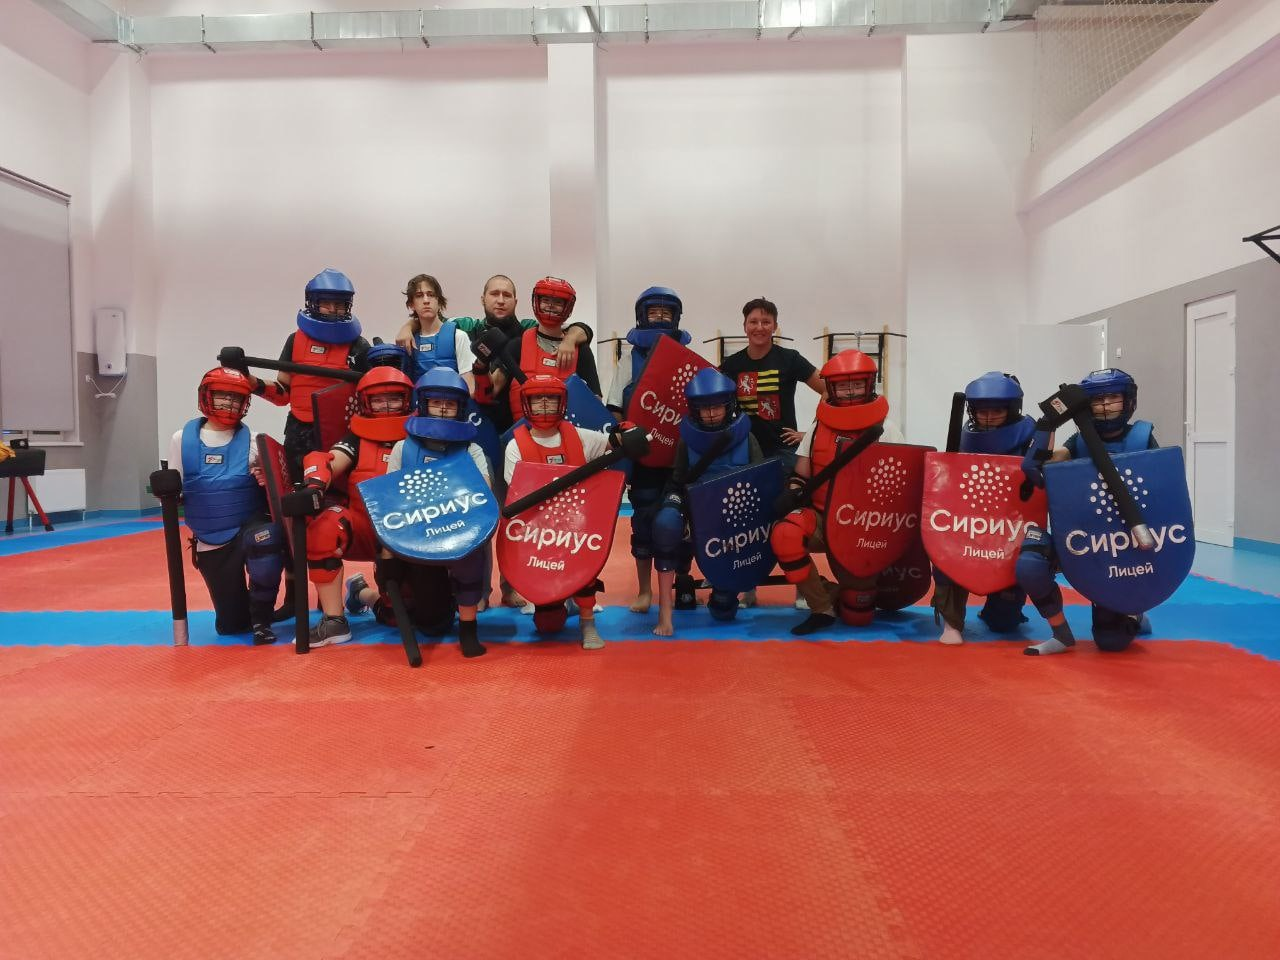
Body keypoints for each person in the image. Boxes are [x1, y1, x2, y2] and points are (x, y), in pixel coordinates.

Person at [234, 268, 371, 619]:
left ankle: (333, 600)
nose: (332, 310)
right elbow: (282, 392)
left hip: (337, 439)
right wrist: (249, 380)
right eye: (326, 303)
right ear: (313, 303)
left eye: (339, 304)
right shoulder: (295, 341)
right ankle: (294, 598)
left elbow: (369, 394)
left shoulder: (358, 346)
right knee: (294, 515)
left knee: (332, 515)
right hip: (298, 434)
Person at [1017, 368, 1159, 656]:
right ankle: (1061, 634)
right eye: (1097, 400)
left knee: (1111, 642)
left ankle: (1134, 612)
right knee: (1030, 563)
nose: (1105, 406)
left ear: (1128, 400)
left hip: (1125, 543)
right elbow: (1040, 466)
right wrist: (1048, 424)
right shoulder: (1079, 441)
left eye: (1112, 398)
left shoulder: (1143, 438)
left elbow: (1162, 493)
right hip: (1082, 537)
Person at [770, 350, 905, 635]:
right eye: (843, 386)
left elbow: (901, 483)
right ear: (831, 388)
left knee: (858, 613)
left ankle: (841, 594)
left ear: (869, 384)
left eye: (857, 384)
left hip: (864, 526)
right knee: (785, 534)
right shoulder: (817, 428)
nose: (850, 391)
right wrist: (792, 493)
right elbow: (801, 475)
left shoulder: (888, 429)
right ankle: (822, 607)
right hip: (823, 516)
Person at [297, 367, 414, 647]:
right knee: (325, 527)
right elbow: (328, 460)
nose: (387, 406)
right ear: (365, 403)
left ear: (407, 400)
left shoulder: (420, 436)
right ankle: (334, 620)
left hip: (409, 532)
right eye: (378, 400)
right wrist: (315, 484)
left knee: (397, 617)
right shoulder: (356, 439)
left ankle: (361, 593)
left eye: (394, 399)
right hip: (364, 528)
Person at [502, 375, 620, 650]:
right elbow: (517, 493)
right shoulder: (516, 445)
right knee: (548, 624)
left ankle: (588, 622)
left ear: (562, 403)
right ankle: (559, 601)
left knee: (586, 568)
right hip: (537, 529)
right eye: (537, 399)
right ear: (526, 403)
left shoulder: (579, 436)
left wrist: (626, 432)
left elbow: (612, 442)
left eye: (551, 398)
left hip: (576, 526)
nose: (544, 405)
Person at [168, 367, 284, 645]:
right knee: (232, 625)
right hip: (212, 535)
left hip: (249, 523)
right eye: (223, 396)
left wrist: (265, 481)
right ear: (206, 396)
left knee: (266, 538)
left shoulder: (256, 441)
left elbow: (280, 488)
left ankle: (262, 620)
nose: (229, 403)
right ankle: (245, 614)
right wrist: (166, 491)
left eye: (236, 398)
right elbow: (175, 489)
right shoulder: (181, 440)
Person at [395, 274, 595, 434]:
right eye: (494, 294)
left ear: (515, 301)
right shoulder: (466, 326)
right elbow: (430, 319)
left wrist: (570, 339)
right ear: (483, 299)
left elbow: (577, 328)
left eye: (506, 295)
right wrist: (408, 326)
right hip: (474, 422)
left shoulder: (528, 330)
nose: (500, 300)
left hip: (520, 424)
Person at [386, 369, 493, 659]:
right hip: (417, 536)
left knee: (470, 558)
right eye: (436, 402)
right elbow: (389, 500)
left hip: (459, 528)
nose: (443, 409)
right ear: (423, 404)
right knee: (432, 625)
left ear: (461, 408)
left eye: (450, 404)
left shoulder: (472, 450)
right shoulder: (402, 449)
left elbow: (483, 494)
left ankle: (468, 628)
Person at [650, 368, 765, 636]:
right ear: (695, 410)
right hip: (697, 511)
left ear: (729, 406)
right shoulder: (687, 440)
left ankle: (729, 590)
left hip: (734, 520)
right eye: (704, 408)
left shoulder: (746, 438)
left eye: (717, 407)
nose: (711, 413)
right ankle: (667, 608)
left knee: (723, 611)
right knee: (666, 523)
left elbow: (761, 481)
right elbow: (677, 482)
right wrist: (673, 508)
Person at [606, 286, 700, 615]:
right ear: (641, 316)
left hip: (678, 457)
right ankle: (645, 590)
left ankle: (683, 581)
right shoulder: (629, 360)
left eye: (666, 312)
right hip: (644, 456)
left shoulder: (687, 361)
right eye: (653, 311)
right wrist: (624, 435)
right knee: (643, 522)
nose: (660, 317)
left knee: (682, 521)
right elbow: (615, 407)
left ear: (676, 317)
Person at [933, 371, 1038, 646]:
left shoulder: (1031, 440)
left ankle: (1002, 609)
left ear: (1011, 410)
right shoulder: (963, 439)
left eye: (997, 411)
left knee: (1003, 622)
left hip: (1010, 529)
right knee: (943, 550)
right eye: (982, 411)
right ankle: (951, 621)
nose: (989, 417)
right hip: (968, 524)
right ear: (972, 411)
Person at [718, 298, 824, 471]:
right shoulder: (731, 364)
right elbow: (711, 397)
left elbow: (829, 389)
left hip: (783, 451)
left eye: (766, 322)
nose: (759, 327)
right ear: (745, 326)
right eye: (753, 322)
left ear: (775, 326)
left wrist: (812, 433)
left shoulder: (790, 359)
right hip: (744, 449)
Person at [499, 277, 603, 422]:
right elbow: (493, 390)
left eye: (558, 302)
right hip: (521, 432)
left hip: (567, 431)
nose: (550, 306)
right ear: (537, 302)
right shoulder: (517, 346)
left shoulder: (581, 351)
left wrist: (570, 339)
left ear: (568, 307)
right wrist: (481, 367)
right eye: (545, 300)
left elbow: (595, 402)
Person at [401, 274, 475, 389]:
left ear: (439, 302)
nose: (426, 300)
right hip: (419, 400)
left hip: (452, 399)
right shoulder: (408, 341)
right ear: (411, 305)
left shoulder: (458, 336)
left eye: (431, 295)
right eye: (419, 296)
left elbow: (470, 388)